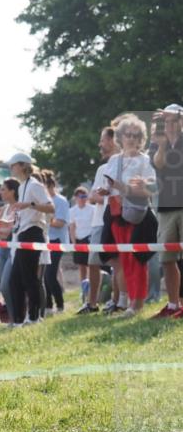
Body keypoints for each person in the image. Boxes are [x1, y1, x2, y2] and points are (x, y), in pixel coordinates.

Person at [101, 115, 158, 317]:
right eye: (128, 134)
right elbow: (109, 187)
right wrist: (105, 191)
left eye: (136, 135)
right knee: (123, 260)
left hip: (137, 215)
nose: (131, 138)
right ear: (120, 137)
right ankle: (126, 302)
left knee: (137, 260)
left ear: (141, 138)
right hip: (116, 214)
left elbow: (151, 189)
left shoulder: (145, 161)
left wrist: (126, 188)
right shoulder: (114, 160)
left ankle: (137, 303)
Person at [6, 153, 55, 325]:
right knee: (15, 280)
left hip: (33, 232)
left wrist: (30, 205)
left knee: (29, 278)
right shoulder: (22, 186)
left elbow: (51, 207)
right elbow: (24, 214)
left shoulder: (35, 185)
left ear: (21, 166)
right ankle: (20, 319)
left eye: (12, 165)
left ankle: (34, 317)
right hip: (23, 233)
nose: (10, 168)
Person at [78, 127, 121, 314]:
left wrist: (107, 195)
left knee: (117, 262)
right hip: (98, 222)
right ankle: (92, 303)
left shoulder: (123, 165)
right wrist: (107, 196)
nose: (99, 145)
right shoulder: (102, 168)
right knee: (93, 262)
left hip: (116, 220)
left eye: (102, 140)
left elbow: (100, 196)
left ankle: (116, 301)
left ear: (112, 141)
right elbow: (93, 197)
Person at [149, 103, 183, 318]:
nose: (169, 125)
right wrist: (162, 145)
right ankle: (173, 305)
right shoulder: (156, 143)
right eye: (166, 121)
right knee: (167, 258)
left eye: (173, 120)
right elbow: (159, 165)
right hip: (166, 207)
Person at [42, 171, 71, 315]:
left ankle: (60, 304)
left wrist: (46, 221)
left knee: (50, 275)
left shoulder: (61, 201)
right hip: (45, 241)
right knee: (44, 275)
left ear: (51, 185)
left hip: (57, 241)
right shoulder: (43, 201)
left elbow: (60, 223)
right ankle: (48, 305)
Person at [0, 178, 19, 321]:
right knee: (3, 287)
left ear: (12, 191)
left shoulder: (19, 207)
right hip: (2, 249)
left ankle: (17, 315)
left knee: (6, 285)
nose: (0, 192)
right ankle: (12, 317)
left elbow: (11, 230)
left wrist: (4, 232)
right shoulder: (4, 209)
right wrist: (2, 232)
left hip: (13, 249)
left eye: (3, 189)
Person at [68, 186, 95, 289]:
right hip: (79, 240)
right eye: (80, 196)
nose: (83, 198)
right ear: (75, 198)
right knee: (81, 265)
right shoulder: (72, 211)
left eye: (85, 196)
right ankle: (83, 288)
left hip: (89, 239)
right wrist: (74, 243)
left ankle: (92, 286)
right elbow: (72, 227)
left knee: (91, 265)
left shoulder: (92, 209)